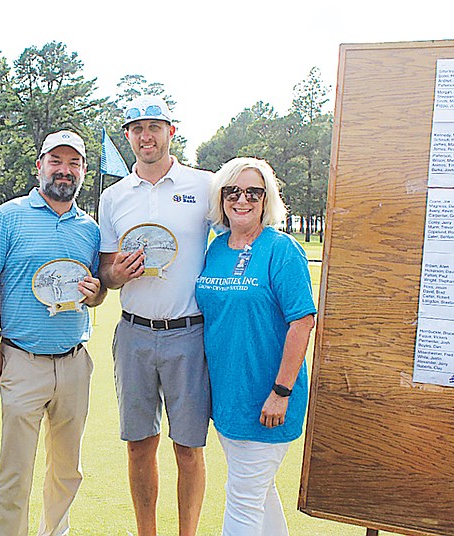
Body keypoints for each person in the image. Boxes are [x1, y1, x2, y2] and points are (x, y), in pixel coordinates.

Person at [0, 130, 106, 536]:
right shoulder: (9, 216)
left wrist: (97, 293)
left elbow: (95, 291)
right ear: (40, 166)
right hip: (21, 359)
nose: (64, 171)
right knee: (15, 470)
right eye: (56, 161)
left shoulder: (90, 228)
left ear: (83, 170)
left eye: (74, 163)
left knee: (67, 469)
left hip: (73, 361)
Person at [97, 95, 213, 536]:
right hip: (134, 334)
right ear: (128, 136)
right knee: (139, 446)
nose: (146, 136)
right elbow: (106, 272)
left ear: (172, 132)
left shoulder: (203, 186)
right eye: (137, 129)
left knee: (188, 448)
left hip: (189, 332)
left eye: (155, 127)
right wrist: (115, 273)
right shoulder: (113, 197)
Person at [195, 157, 316, 535]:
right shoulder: (215, 249)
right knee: (257, 494)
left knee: (243, 500)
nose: (242, 199)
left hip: (269, 400)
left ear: (267, 199)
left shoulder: (282, 249)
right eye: (233, 191)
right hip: (228, 399)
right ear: (221, 197)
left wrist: (281, 392)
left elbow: (303, 322)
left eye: (253, 192)